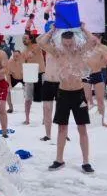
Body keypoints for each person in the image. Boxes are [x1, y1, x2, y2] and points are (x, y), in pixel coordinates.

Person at [37, 25, 98, 173]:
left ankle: (86, 161)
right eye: (66, 44)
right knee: (62, 127)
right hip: (63, 93)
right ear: (62, 43)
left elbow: (93, 41)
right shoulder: (58, 53)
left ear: (74, 41)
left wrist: (83, 28)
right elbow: (41, 42)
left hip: (78, 94)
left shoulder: (80, 51)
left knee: (82, 127)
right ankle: (59, 159)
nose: (69, 47)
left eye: (70, 43)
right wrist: (52, 30)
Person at [83, 35, 107, 127]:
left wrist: (102, 53)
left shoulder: (103, 48)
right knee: (86, 98)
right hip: (86, 74)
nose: (94, 40)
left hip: (97, 73)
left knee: (100, 99)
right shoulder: (85, 46)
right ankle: (84, 119)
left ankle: (102, 120)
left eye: (97, 38)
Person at [22, 33, 45, 126]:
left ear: (31, 39)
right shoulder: (24, 50)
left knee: (45, 98)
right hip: (29, 74)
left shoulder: (38, 46)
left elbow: (31, 54)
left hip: (40, 72)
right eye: (23, 39)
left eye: (25, 38)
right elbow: (25, 60)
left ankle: (45, 118)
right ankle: (27, 119)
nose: (23, 40)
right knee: (28, 98)